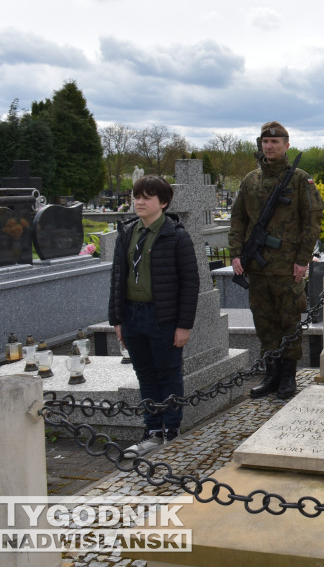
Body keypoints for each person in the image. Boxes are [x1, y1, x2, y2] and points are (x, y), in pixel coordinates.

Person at [230, 121, 324, 399]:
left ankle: (287, 377)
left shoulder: (299, 179)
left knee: (289, 322)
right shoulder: (250, 181)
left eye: (275, 142)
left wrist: (302, 259)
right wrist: (236, 253)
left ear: (286, 145)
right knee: (264, 323)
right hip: (257, 268)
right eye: (265, 142)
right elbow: (238, 220)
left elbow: (312, 221)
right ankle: (270, 375)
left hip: (287, 268)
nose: (269, 146)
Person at [108, 176, 199, 457]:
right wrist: (118, 320)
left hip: (162, 317)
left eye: (147, 197)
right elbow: (117, 278)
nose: (139, 202)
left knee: (168, 374)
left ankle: (171, 431)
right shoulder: (128, 232)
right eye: (137, 196)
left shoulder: (176, 235)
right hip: (133, 315)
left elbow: (190, 282)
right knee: (144, 375)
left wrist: (183, 325)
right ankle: (152, 431)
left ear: (163, 202)